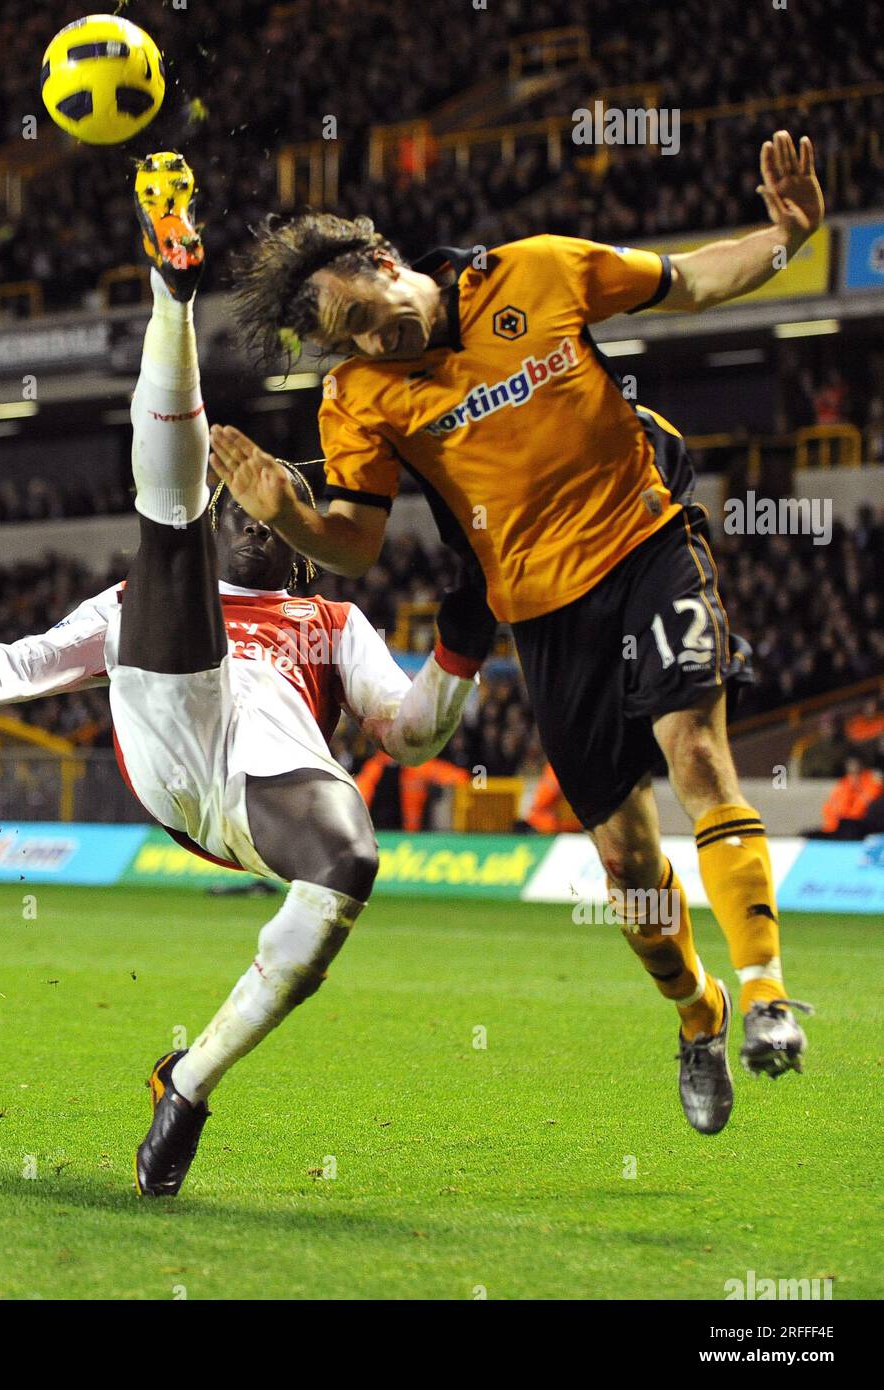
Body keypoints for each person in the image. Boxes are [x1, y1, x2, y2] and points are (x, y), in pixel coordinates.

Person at [0, 155, 492, 1200]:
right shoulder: (143, 598)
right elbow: (23, 663)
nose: (246, 509)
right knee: (163, 529)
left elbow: (409, 734)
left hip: (262, 791)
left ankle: (187, 1081)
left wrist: (460, 645)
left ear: (295, 539)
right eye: (237, 499)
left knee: (351, 860)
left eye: (267, 500)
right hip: (175, 751)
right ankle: (171, 291)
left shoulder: (329, 616)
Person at [212, 129, 825, 1133]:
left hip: (646, 541)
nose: (369, 344)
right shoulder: (356, 397)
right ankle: (696, 1012)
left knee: (700, 760)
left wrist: (783, 236)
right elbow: (354, 546)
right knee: (626, 862)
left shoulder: (536, 272)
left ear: (381, 262)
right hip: (541, 615)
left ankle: (763, 995)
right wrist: (282, 509)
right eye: (346, 339)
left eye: (364, 318)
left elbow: (690, 282)